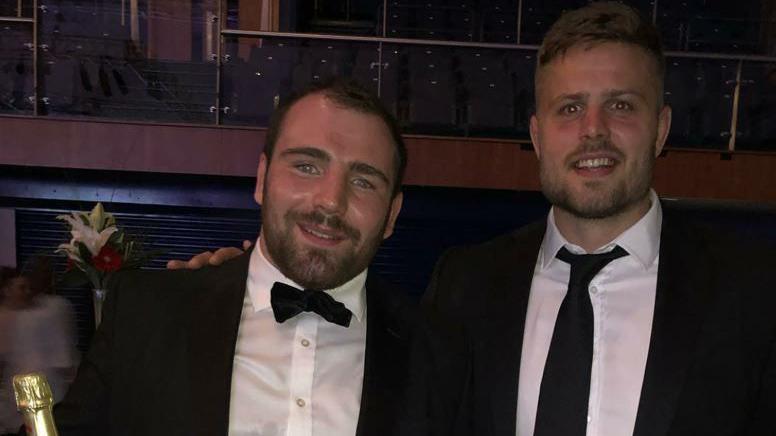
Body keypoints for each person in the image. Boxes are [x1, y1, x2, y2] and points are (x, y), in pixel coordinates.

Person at [402, 2, 776, 436]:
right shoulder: (463, 285)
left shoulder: (754, 290)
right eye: (570, 108)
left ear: (660, 129)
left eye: (620, 105)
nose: (593, 129)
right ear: (538, 137)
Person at [54, 78, 415, 436]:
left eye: (364, 181)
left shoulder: (441, 349)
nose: (331, 201)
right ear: (262, 178)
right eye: (306, 166)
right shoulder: (146, 313)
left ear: (392, 214)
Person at [0, 266, 77, 435]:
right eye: (21, 288)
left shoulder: (49, 311)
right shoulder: (6, 316)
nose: (27, 292)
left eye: (28, 288)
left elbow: (62, 354)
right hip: (17, 392)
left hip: (42, 388)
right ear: (6, 290)